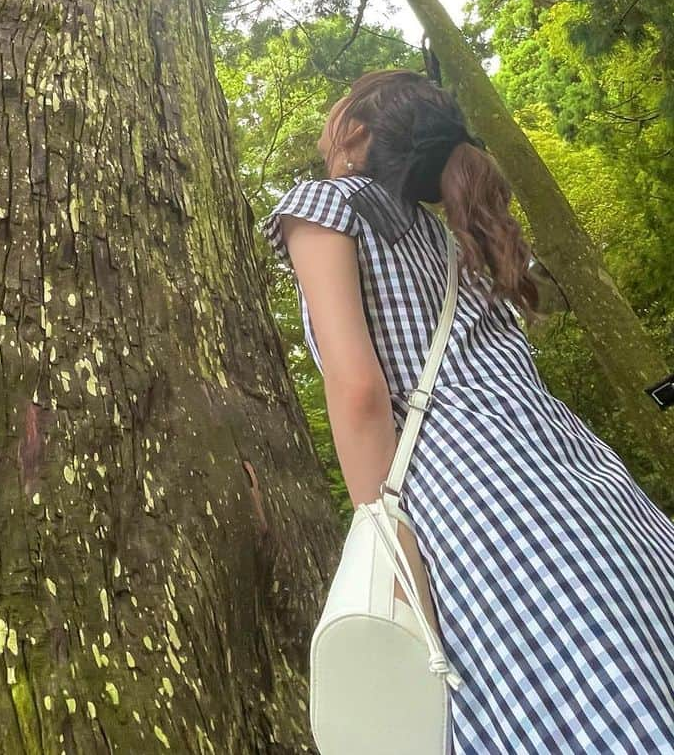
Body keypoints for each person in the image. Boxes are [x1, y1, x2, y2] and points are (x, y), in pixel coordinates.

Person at [259, 68, 674, 754]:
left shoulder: (325, 207)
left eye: (333, 117)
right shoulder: (453, 242)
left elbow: (358, 389)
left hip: (475, 496)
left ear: (357, 134)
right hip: (585, 478)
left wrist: (380, 533)